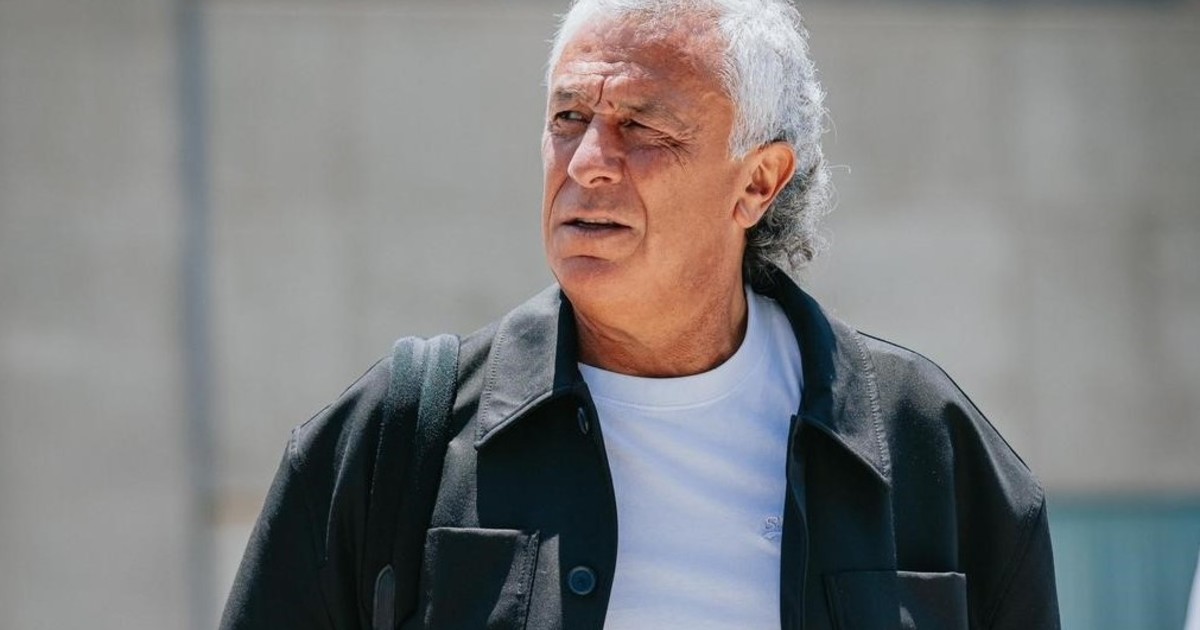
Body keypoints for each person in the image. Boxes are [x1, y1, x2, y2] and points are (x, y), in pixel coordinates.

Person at [221, 0, 1061, 628]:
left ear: (757, 183)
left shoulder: (929, 449)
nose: (588, 161)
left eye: (642, 126)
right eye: (569, 118)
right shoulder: (394, 440)